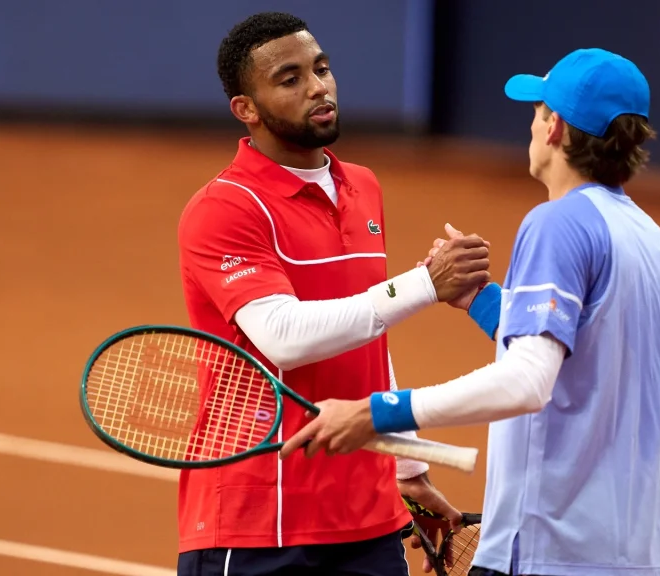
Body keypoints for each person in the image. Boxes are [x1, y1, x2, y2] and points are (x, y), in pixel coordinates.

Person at [280, 48, 660, 576]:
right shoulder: (657, 247)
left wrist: (374, 413)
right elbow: (582, 365)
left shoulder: (557, 223)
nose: (533, 124)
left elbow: (527, 382)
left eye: (537, 111)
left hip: (547, 551)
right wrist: (481, 302)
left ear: (555, 127)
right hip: (635, 558)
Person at [175, 11, 492, 576]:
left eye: (321, 69)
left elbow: (367, 338)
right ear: (246, 110)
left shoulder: (361, 187)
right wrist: (425, 284)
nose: (318, 86)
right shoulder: (225, 209)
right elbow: (284, 338)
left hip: (365, 519)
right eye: (290, 78)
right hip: (259, 522)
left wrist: (409, 466)